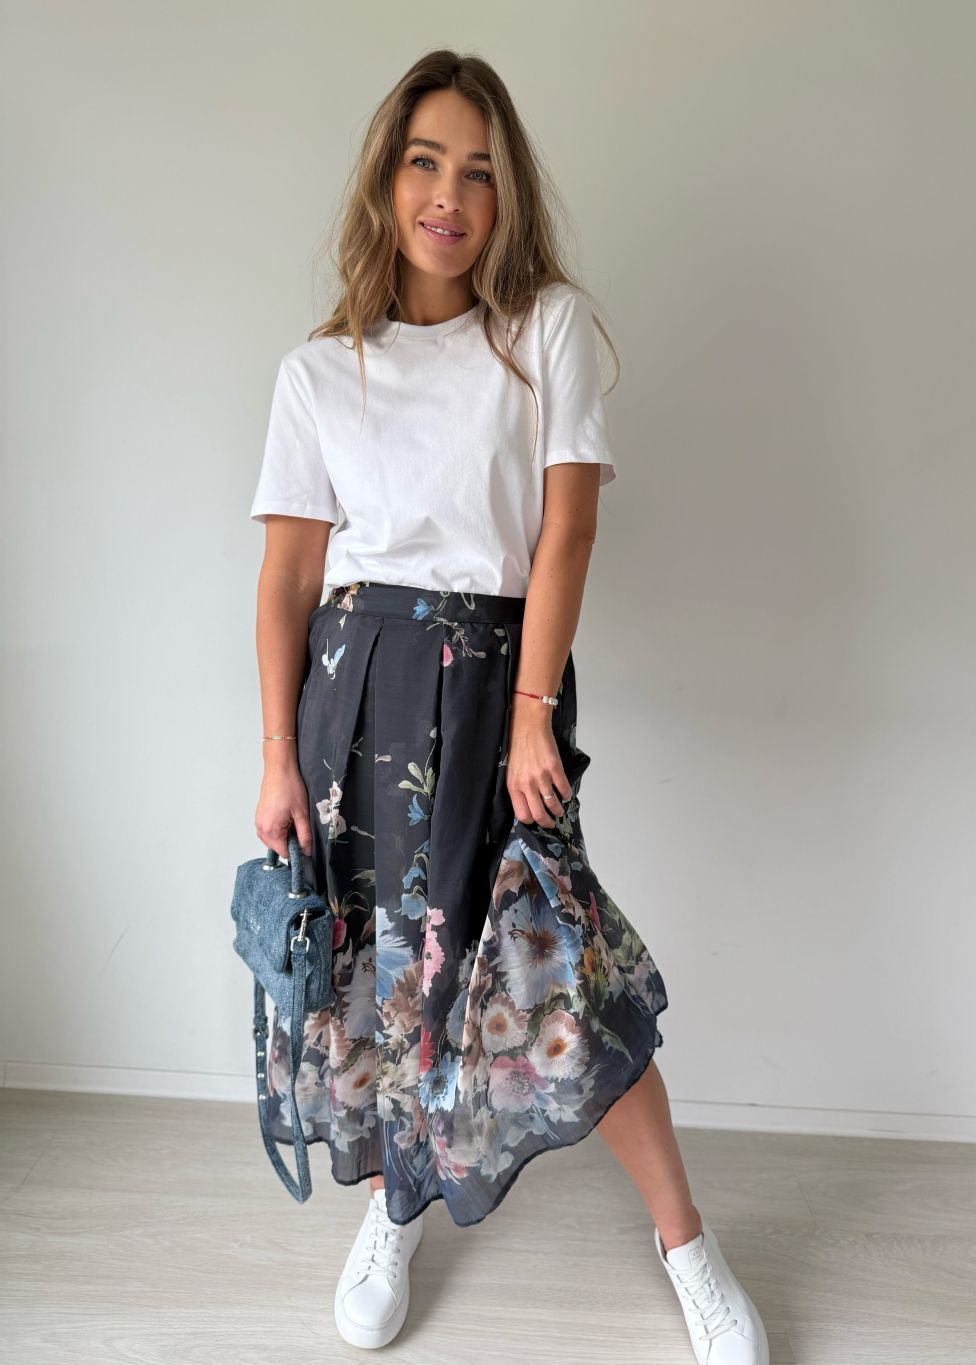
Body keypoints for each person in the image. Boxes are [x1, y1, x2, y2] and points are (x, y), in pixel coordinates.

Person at [248, 48, 769, 1364]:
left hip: (496, 686)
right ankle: (393, 1213)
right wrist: (276, 755)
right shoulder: (318, 372)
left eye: (478, 171)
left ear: (506, 195)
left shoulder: (545, 331)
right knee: (379, 979)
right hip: (353, 697)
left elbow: (566, 536)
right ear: (386, 181)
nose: (449, 194)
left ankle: (688, 1245)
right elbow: (289, 581)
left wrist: (536, 710)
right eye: (425, 162)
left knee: (553, 970)